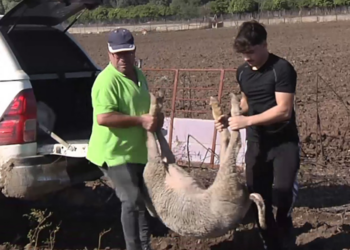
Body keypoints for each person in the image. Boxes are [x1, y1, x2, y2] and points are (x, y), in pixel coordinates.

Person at [215, 20, 300, 250]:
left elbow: (284, 110)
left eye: (251, 51)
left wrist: (247, 120)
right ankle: (271, 243)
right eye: (243, 53)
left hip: (283, 142)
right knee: (257, 198)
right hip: (256, 143)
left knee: (283, 194)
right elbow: (246, 103)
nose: (246, 57)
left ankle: (285, 223)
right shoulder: (242, 72)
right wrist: (230, 116)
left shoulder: (281, 69)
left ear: (264, 44)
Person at [86, 28, 162, 250]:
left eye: (127, 53)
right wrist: (140, 121)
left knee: (142, 202)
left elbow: (144, 107)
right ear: (109, 54)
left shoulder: (139, 75)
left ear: (134, 51)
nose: (122, 58)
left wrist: (156, 118)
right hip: (114, 152)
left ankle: (144, 246)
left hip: (137, 151)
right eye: (117, 54)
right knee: (131, 200)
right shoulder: (106, 81)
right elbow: (104, 117)